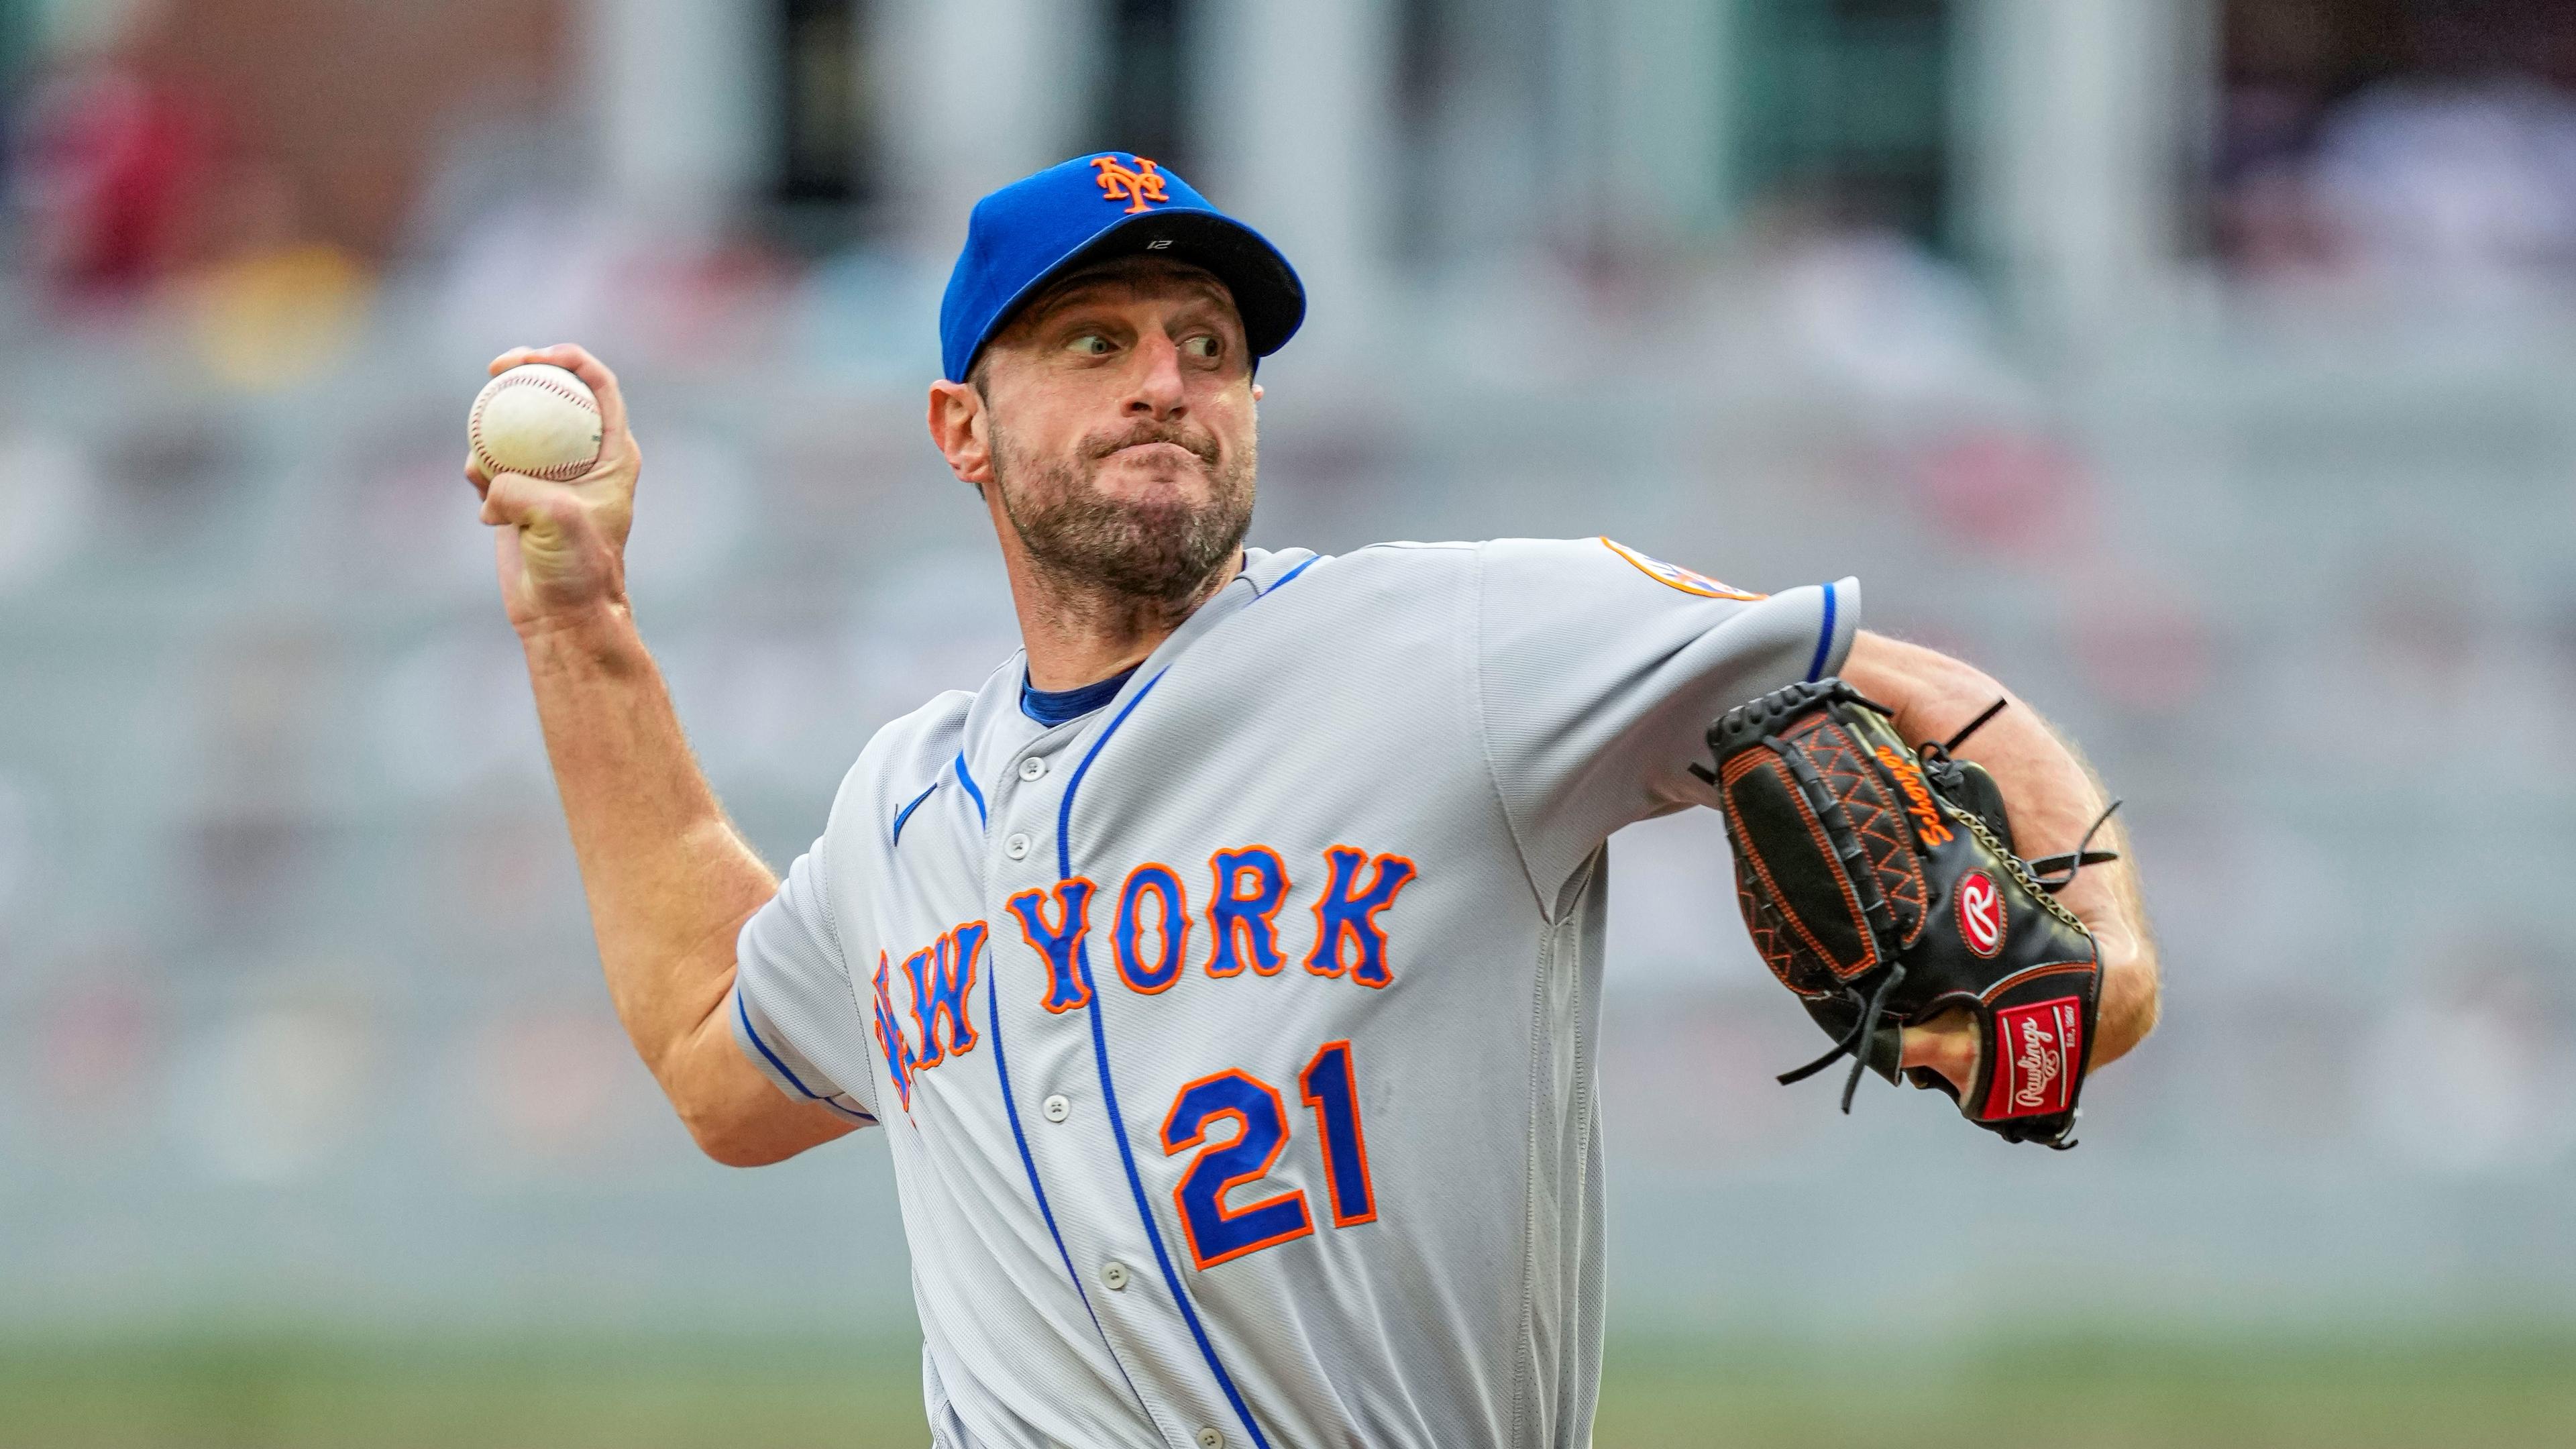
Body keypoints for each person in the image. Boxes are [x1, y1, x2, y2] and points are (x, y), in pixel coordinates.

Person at [468, 152, 2159, 1449]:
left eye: (1210, 345)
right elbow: (716, 1053)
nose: (1167, 381)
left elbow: (1905, 687)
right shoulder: (907, 803)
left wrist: (2108, 944)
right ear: (959, 427)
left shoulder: (1462, 643)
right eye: (1095, 341)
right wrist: (574, 618)